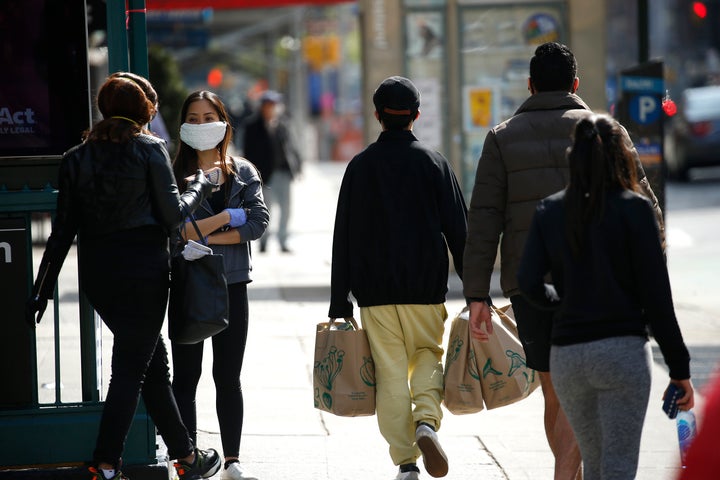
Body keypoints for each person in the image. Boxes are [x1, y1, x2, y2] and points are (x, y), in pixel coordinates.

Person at [462, 41, 664, 480]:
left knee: (556, 394)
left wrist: (476, 293)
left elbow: (484, 220)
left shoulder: (502, 137)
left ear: (530, 85)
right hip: (604, 285)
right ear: (576, 84)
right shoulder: (609, 133)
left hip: (531, 287)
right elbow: (647, 210)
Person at [25, 74, 222, 480]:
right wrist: (201, 184)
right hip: (145, 276)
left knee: (152, 367)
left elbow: (62, 232)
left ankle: (186, 457)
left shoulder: (76, 157)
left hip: (100, 278)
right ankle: (106, 462)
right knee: (131, 369)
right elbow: (173, 215)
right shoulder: (150, 148)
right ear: (143, 111)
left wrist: (41, 290)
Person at [516, 113, 694, 480]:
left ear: (574, 157)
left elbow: (527, 280)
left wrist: (561, 303)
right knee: (618, 465)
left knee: (594, 464)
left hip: (569, 355)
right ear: (623, 157)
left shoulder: (550, 210)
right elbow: (657, 298)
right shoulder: (636, 209)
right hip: (622, 352)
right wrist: (680, 370)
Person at [328, 76, 468, 480]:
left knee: (390, 372)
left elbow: (344, 237)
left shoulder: (359, 167)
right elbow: (459, 232)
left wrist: (341, 299)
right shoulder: (434, 162)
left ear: (377, 116)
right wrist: (476, 291)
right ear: (416, 115)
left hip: (374, 291)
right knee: (427, 354)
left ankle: (406, 462)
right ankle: (426, 420)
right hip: (425, 288)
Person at [171, 90, 269, 480]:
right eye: (192, 119)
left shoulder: (243, 171)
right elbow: (176, 230)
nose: (199, 125)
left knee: (228, 376)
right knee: (186, 376)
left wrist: (205, 236)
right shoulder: (172, 173)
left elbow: (258, 224)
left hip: (231, 283)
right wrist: (229, 216)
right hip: (187, 283)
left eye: (207, 116)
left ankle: (232, 460)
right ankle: (189, 458)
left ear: (223, 122)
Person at [242, 90, 303, 253]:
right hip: (264, 174)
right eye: (268, 105)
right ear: (262, 107)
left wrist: (298, 165)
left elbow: (292, 146)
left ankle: (283, 240)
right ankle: (264, 241)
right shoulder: (252, 126)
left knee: (286, 208)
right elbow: (248, 152)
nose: (271, 108)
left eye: (274, 105)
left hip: (284, 171)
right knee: (265, 208)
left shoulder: (283, 124)